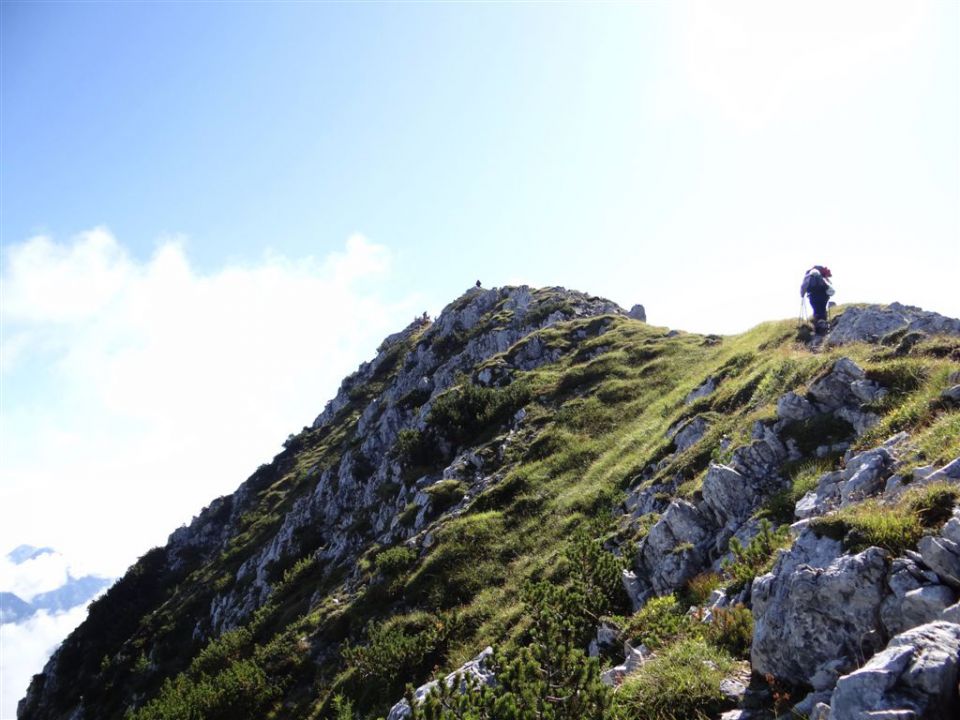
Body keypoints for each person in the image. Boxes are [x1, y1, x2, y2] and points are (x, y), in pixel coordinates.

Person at [800, 265, 834, 334]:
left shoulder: (808, 276)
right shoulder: (820, 277)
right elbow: (828, 287)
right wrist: (829, 294)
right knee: (822, 310)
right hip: (823, 296)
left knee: (816, 311)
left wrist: (802, 295)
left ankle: (818, 329)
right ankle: (824, 328)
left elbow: (803, 287)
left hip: (812, 296)